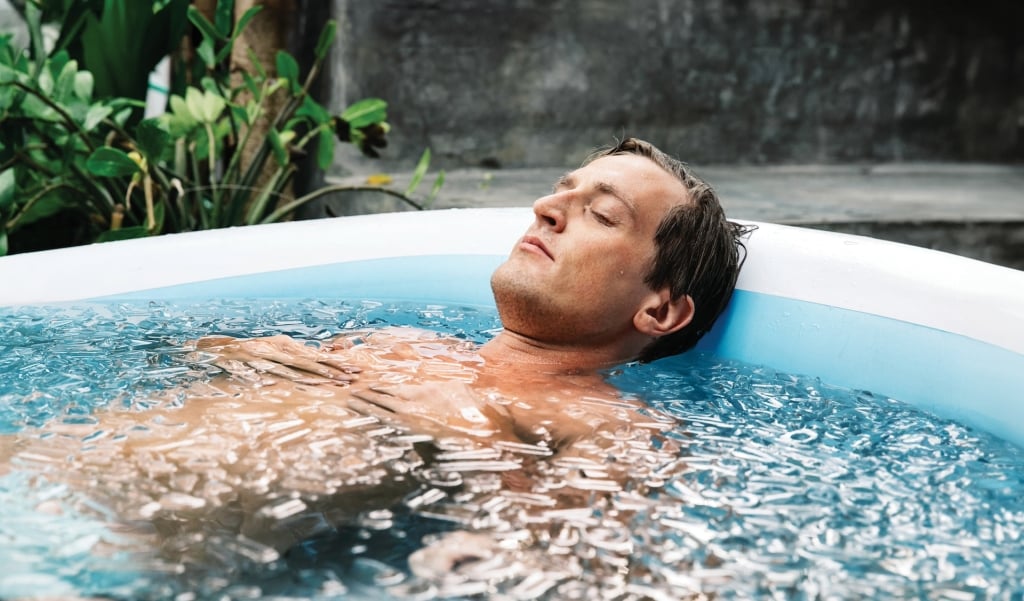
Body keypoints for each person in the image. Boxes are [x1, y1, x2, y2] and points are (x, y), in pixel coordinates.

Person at [1, 138, 752, 594]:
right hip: (34, 465)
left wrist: (497, 540)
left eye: (601, 212)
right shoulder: (403, 343)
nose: (547, 207)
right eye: (562, 190)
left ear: (659, 310)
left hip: (98, 554)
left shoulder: (599, 418)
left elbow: (592, 532)